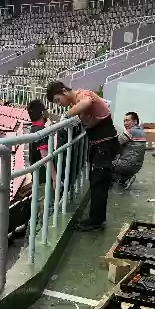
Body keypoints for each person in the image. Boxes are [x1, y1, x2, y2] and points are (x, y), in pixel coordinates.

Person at [45, 81, 118, 231]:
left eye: (58, 100)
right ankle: (96, 218)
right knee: (96, 179)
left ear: (64, 91)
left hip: (104, 144)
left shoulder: (83, 95)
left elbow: (87, 102)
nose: (60, 104)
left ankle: (96, 221)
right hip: (100, 144)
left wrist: (65, 116)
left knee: (99, 181)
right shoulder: (76, 102)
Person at [112, 111, 147, 188]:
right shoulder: (141, 131)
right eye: (124, 121)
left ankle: (114, 181)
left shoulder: (131, 131)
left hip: (127, 164)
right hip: (137, 166)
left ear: (135, 121)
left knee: (105, 165)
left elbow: (115, 143)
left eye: (127, 120)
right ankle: (126, 178)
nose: (125, 123)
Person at [27, 100, 50, 186]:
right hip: (43, 177)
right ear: (43, 113)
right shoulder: (41, 131)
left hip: (37, 175)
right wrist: (55, 178)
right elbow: (44, 156)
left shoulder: (33, 129)